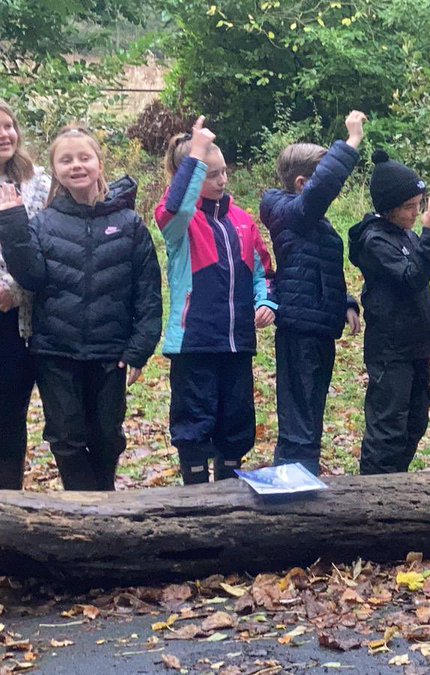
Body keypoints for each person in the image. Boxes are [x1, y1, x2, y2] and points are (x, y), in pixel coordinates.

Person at [0, 127, 162, 491]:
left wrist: (140, 347)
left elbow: (149, 292)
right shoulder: (42, 223)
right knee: (66, 438)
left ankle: (100, 504)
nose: (76, 165)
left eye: (84, 157)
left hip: (110, 353)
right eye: (66, 159)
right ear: (55, 170)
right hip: (55, 352)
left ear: (99, 163)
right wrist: (12, 223)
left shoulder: (130, 225)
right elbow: (32, 278)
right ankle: (85, 509)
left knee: (107, 436)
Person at [156, 117, 276, 484]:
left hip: (237, 342)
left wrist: (267, 303)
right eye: (211, 174)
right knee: (194, 425)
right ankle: (195, 498)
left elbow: (264, 272)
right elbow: (174, 208)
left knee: (236, 423)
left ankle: (229, 495)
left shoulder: (242, 221)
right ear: (188, 177)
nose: (222, 181)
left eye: (224, 172)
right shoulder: (179, 224)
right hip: (194, 342)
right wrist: (195, 153)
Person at [260, 111, 366, 475]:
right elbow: (322, 191)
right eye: (319, 181)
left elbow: (319, 272)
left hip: (319, 326)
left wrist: (346, 304)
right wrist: (350, 143)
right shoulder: (289, 212)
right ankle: (292, 481)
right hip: (299, 328)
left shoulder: (311, 223)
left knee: (311, 409)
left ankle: (303, 476)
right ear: (303, 182)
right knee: (300, 414)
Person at [348, 151, 430, 475]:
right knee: (387, 426)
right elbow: (412, 276)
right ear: (388, 208)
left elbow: (421, 293)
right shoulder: (374, 241)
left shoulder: (407, 234)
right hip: (390, 350)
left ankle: (395, 484)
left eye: (418, 203)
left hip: (416, 346)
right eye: (408, 207)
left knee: (417, 419)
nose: (416, 212)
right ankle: (374, 492)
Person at [0, 101, 51, 490]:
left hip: (19, 320)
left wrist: (13, 290)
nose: (5, 135)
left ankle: (9, 505)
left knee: (10, 414)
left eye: (9, 126)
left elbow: (48, 246)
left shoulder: (40, 184)